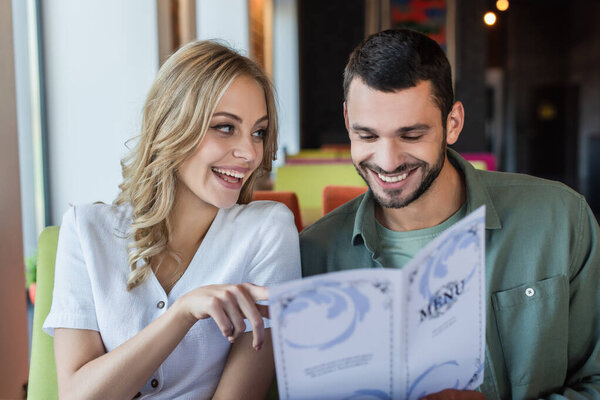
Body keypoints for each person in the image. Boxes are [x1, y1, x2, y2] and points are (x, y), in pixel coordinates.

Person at [300, 29, 600, 399]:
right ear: (348, 122)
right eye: (367, 136)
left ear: (452, 123)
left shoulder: (561, 218)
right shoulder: (312, 255)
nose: (387, 161)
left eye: (411, 135)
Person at [43, 40, 301, 399]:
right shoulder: (86, 230)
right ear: (173, 125)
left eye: (258, 132)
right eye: (226, 127)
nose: (249, 153)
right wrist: (181, 315)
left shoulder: (268, 231)